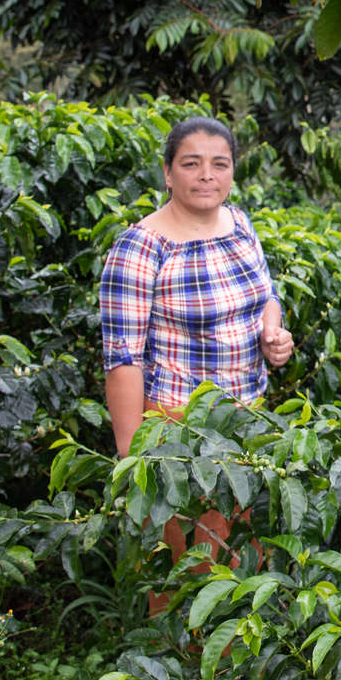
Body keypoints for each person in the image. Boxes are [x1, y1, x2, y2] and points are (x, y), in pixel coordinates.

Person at [99, 115, 296, 456]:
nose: (207, 175)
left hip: (248, 418)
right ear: (168, 173)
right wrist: (132, 458)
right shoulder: (140, 247)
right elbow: (123, 360)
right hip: (178, 429)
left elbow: (268, 296)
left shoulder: (239, 223)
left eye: (220, 164)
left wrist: (272, 334)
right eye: (191, 164)